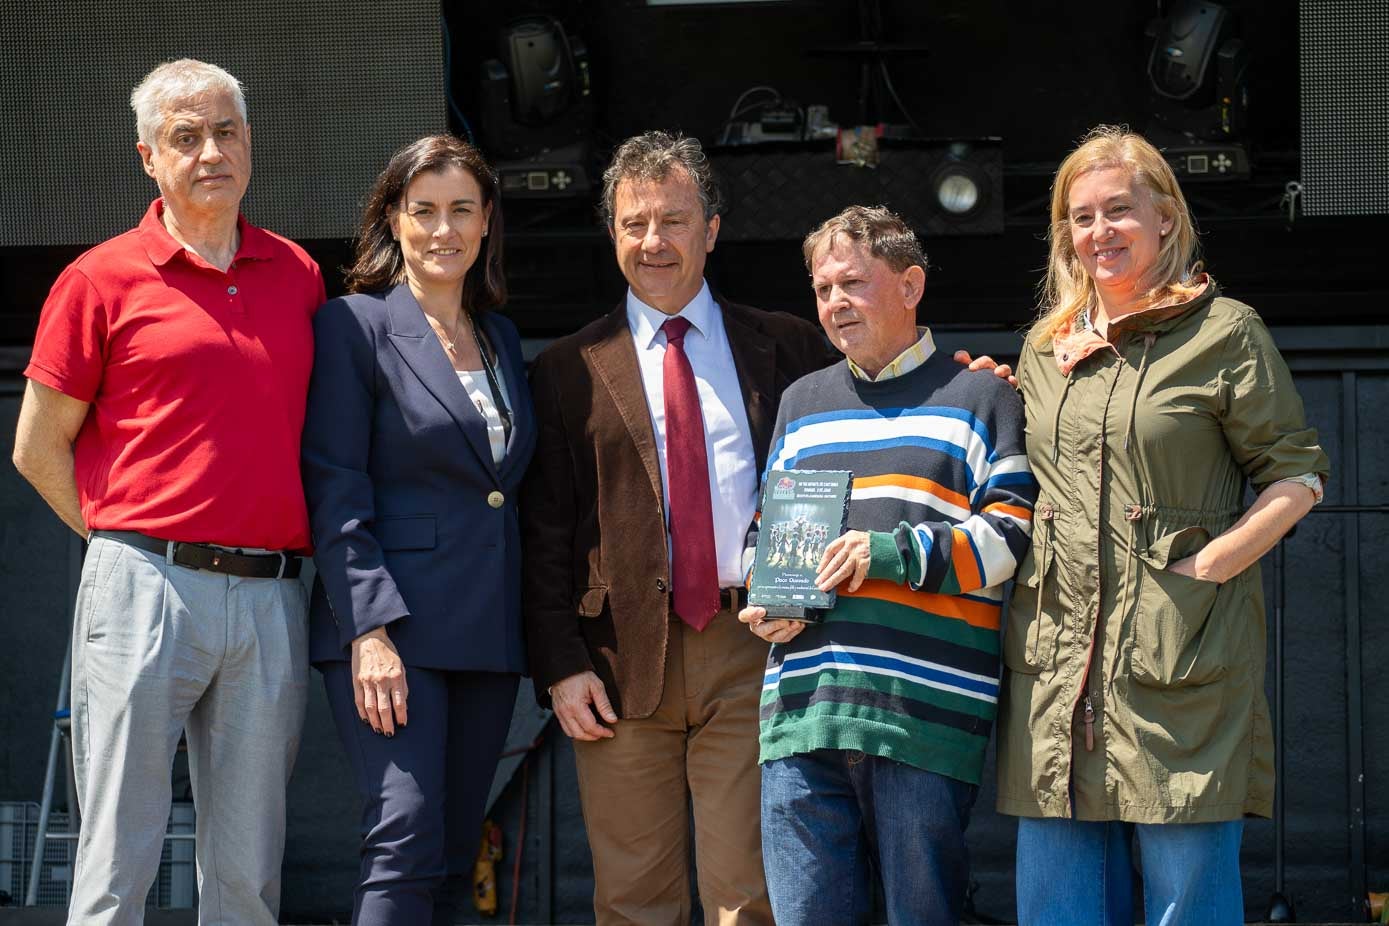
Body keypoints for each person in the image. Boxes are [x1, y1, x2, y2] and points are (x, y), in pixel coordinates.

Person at [11, 59, 324, 925]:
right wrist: (123, 544)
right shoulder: (99, 279)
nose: (210, 151)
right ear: (149, 157)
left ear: (250, 142)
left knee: (248, 874)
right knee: (116, 860)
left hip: (269, 596)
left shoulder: (296, 274)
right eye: (185, 137)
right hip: (143, 587)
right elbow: (36, 448)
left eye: (225, 131)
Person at [994, 125, 1330, 925]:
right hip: (1058, 668)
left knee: (1187, 901)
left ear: (1165, 221)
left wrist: (1208, 567)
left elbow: (1296, 475)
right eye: (1080, 217)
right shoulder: (1044, 350)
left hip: (1177, 658)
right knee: (1058, 906)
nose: (1099, 231)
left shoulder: (1225, 332)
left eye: (1119, 210)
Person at [520, 130, 833, 925]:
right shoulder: (566, 367)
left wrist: (960, 376)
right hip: (618, 663)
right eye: (633, 224)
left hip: (755, 646)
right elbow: (546, 531)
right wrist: (559, 663)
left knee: (752, 894)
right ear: (612, 233)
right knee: (632, 901)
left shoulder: (787, 344)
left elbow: (840, 452)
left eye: (673, 221)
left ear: (712, 230)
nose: (652, 242)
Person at [738, 206, 1038, 925]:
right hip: (801, 713)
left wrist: (884, 553)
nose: (834, 303)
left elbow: (1007, 541)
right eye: (821, 288)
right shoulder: (800, 403)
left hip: (921, 720)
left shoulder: (981, 397)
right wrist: (764, 592)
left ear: (910, 285)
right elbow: (763, 534)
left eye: (853, 283)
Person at [301, 135, 535, 924]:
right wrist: (367, 629)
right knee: (402, 834)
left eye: (461, 210)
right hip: (391, 635)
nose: (444, 230)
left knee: (453, 849)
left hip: (484, 632)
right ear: (392, 222)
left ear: (486, 222)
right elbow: (336, 486)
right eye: (424, 210)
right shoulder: (354, 326)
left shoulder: (501, 339)